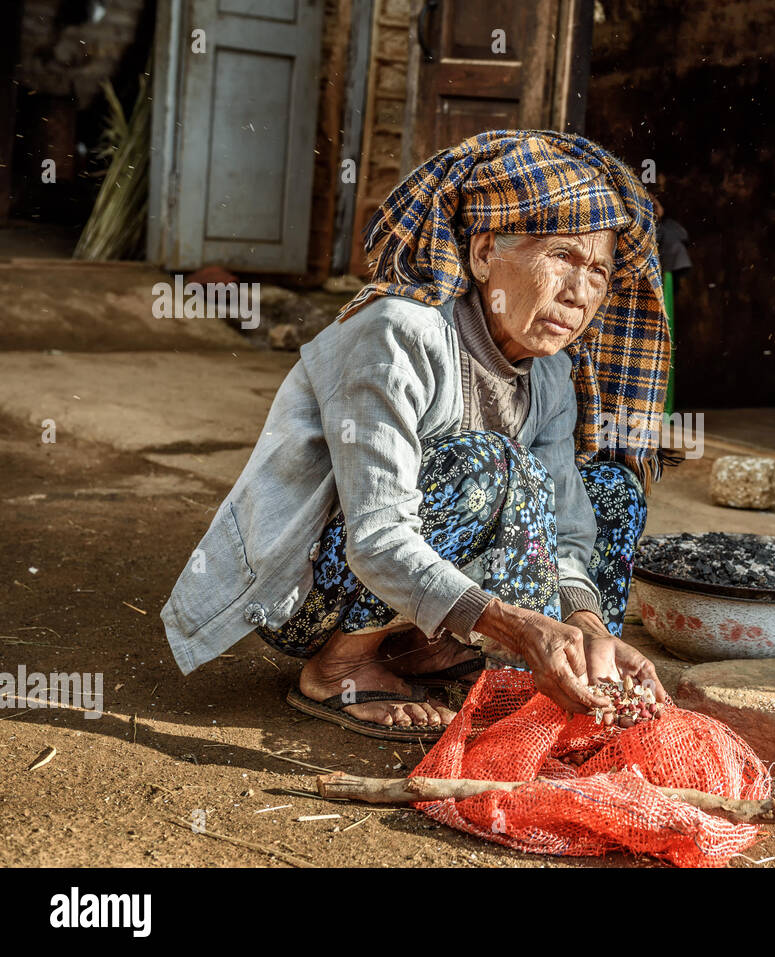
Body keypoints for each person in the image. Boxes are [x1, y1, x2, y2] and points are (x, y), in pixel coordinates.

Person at [160, 131, 673, 740]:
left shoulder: (554, 372)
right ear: (484, 254)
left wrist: (589, 626)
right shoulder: (399, 334)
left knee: (613, 489)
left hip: (428, 601)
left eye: (599, 272)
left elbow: (567, 524)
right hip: (311, 597)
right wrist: (515, 625)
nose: (579, 294)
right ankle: (343, 664)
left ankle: (460, 656)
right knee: (492, 464)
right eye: (562, 256)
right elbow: (376, 537)